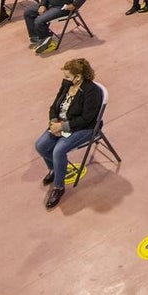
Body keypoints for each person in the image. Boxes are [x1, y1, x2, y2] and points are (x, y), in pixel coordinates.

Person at [34, 58, 104, 210]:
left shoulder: (92, 92)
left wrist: (62, 126)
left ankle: (59, 187)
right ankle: (55, 169)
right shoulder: (67, 84)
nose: (64, 79)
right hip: (61, 123)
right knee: (40, 145)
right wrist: (53, 122)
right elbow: (54, 105)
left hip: (85, 128)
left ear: (78, 77)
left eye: (67, 76)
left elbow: (87, 119)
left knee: (58, 150)